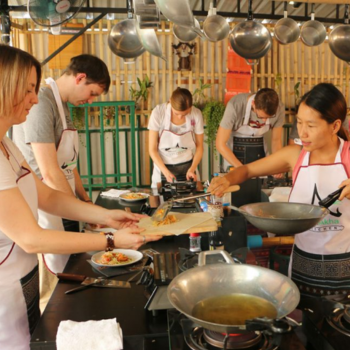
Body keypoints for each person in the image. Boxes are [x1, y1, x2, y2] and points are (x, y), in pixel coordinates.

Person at [0, 44, 161, 350]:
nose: (35, 98)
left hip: (23, 279)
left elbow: (45, 195)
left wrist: (103, 215)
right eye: (28, 89)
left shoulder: (8, 146)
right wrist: (112, 240)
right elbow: (32, 239)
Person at [209, 82, 350, 297]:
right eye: (299, 122)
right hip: (305, 262)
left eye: (311, 126)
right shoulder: (295, 155)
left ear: (334, 125)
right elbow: (247, 171)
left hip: (345, 266)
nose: (302, 132)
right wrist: (227, 178)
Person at [13, 54, 111, 309]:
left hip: (61, 202)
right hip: (42, 207)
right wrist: (83, 213)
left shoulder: (62, 106)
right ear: (80, 78)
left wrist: (87, 202)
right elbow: (49, 171)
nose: (89, 101)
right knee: (52, 291)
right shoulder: (43, 103)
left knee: (67, 275)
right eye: (92, 93)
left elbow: (68, 166)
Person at [216, 89, 285, 206]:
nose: (264, 120)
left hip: (259, 150)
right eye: (261, 116)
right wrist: (241, 169)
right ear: (253, 104)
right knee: (237, 196)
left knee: (257, 196)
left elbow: (276, 140)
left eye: (269, 117)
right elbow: (220, 144)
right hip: (234, 152)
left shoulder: (279, 108)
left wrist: (277, 165)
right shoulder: (235, 106)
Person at [148, 87, 204, 189]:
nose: (180, 117)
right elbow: (152, 149)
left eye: (185, 114)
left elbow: (200, 147)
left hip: (188, 168)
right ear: (170, 102)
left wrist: (192, 168)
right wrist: (166, 172)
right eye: (176, 113)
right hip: (162, 168)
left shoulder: (196, 114)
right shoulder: (158, 113)